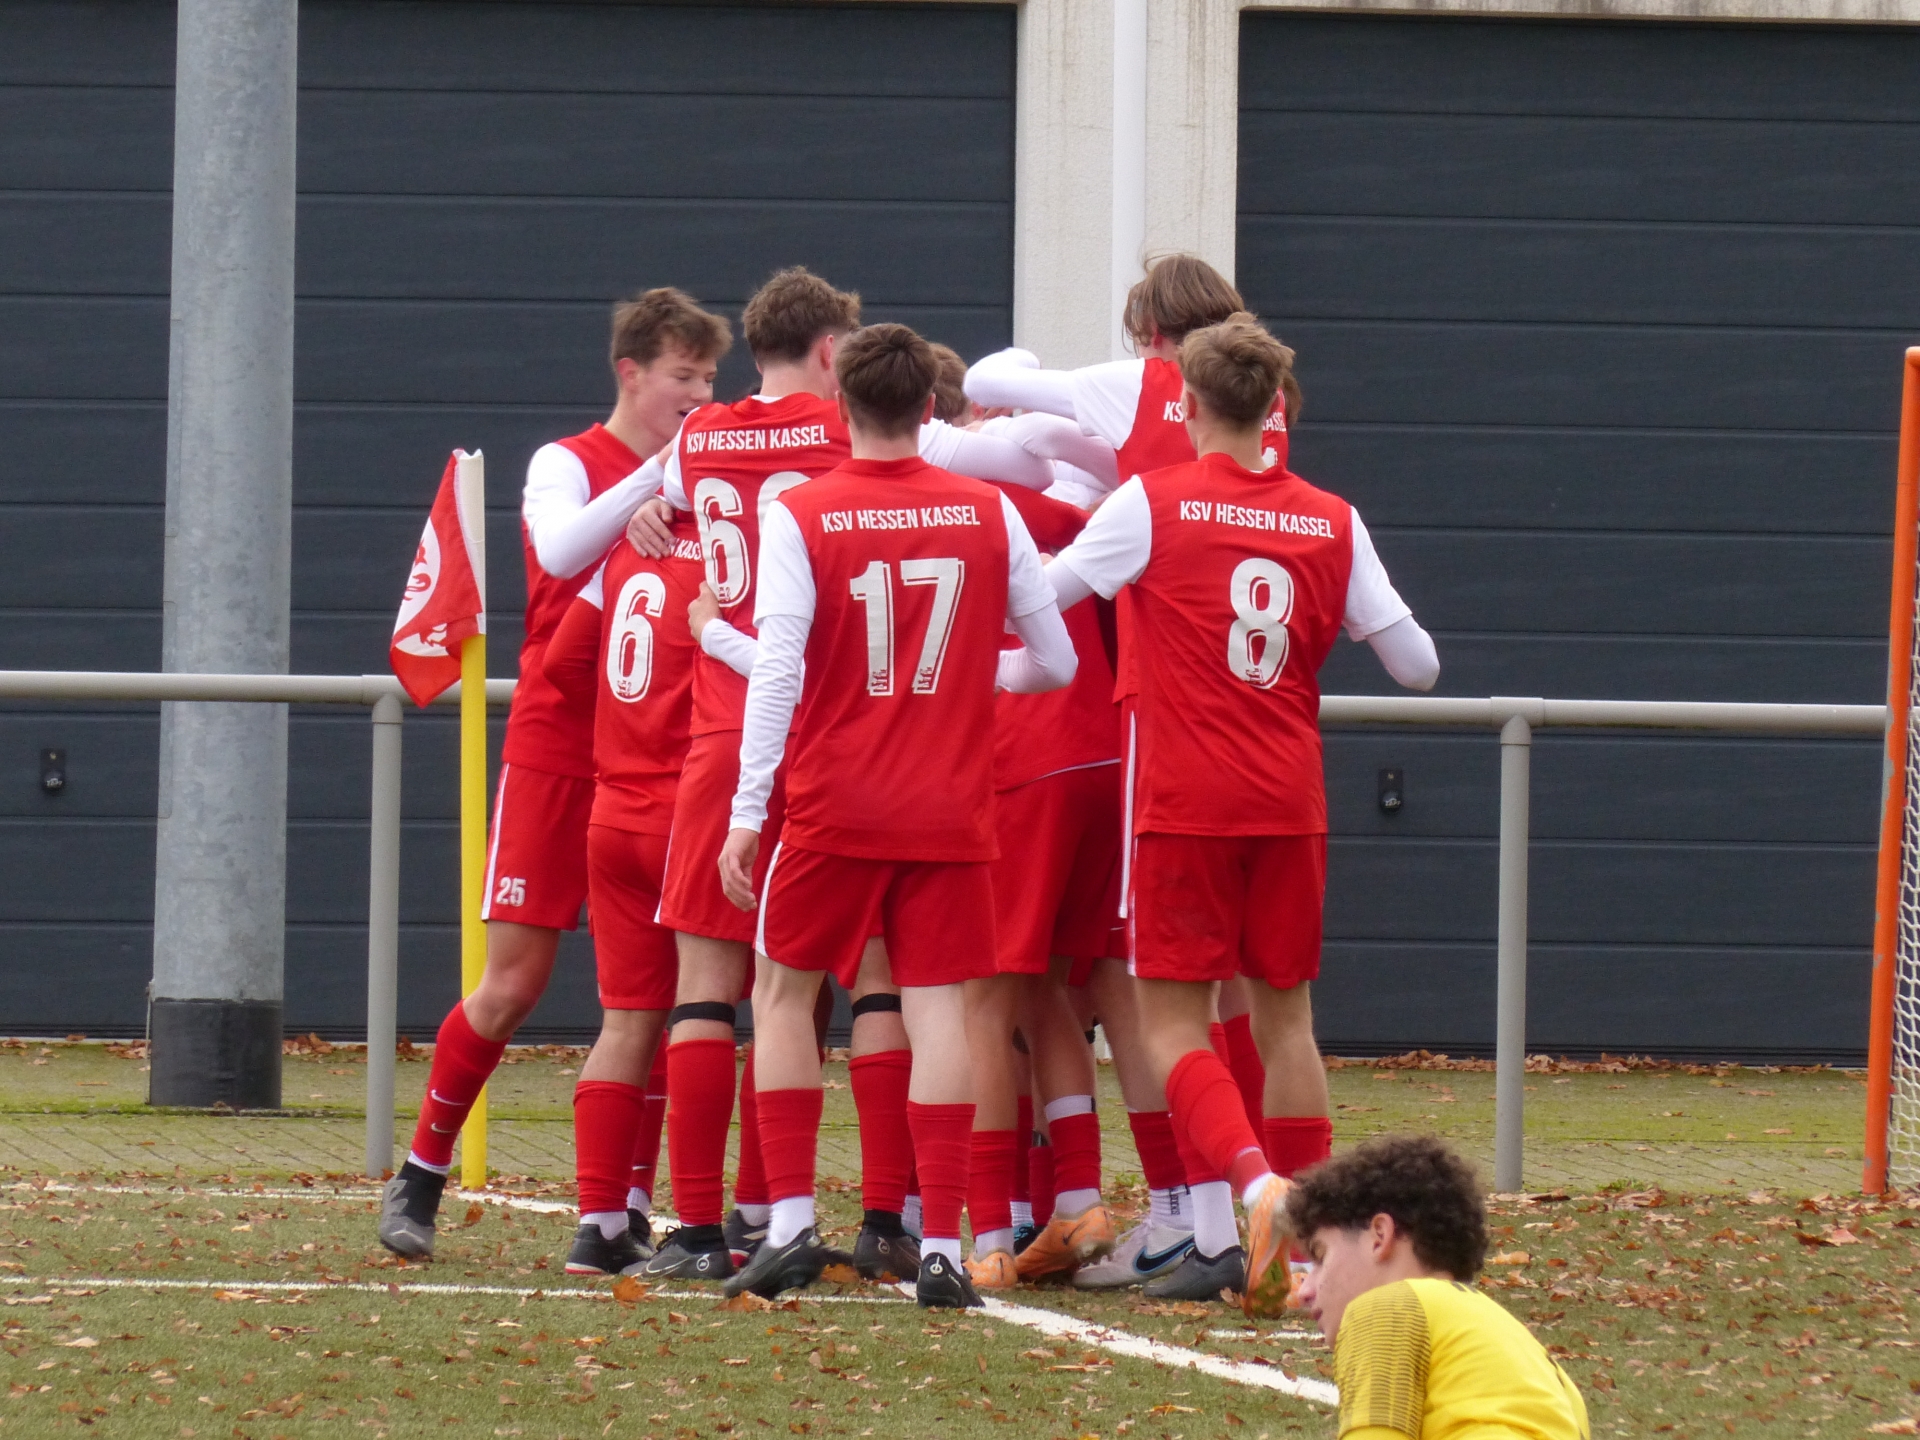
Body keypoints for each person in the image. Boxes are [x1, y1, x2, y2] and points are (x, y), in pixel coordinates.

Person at [1018, 314, 1439, 1314]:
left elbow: (1043, 593)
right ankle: (1318, 1259)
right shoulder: (1333, 517)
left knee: (1172, 1026)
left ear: (1190, 404)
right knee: (1288, 1024)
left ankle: (1256, 1191)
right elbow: (1418, 665)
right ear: (1276, 408)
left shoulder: (1150, 502)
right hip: (1289, 798)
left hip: (1183, 799)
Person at [713, 322, 1077, 1308]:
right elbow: (1055, 661)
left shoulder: (803, 511)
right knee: (939, 1008)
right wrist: (977, 677)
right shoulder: (989, 509)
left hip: (835, 801)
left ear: (841, 406)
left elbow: (778, 668)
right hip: (949, 804)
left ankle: (790, 1225)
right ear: (929, 407)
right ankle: (944, 1248)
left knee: (781, 995)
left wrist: (748, 807)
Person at [378, 289, 730, 1259]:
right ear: (630, 372)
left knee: (656, 997)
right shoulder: (565, 463)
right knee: (513, 982)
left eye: (710, 379)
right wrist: (650, 490)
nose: (699, 397)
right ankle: (420, 1174)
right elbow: (565, 549)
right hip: (557, 750)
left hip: (650, 758)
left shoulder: (702, 480)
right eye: (683, 376)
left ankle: (619, 1211)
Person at [539, 502, 705, 1275]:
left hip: (616, 809)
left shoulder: (628, 548)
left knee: (627, 1021)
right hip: (693, 807)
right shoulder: (739, 543)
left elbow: (562, 662)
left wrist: (624, 728)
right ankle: (732, 1218)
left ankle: (599, 1222)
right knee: (722, 1013)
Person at [1289, 1135, 1591, 1440]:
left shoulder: (1387, 1310)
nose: (1304, 1291)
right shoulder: (1527, 1351)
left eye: (1321, 1256)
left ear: (1379, 1235)